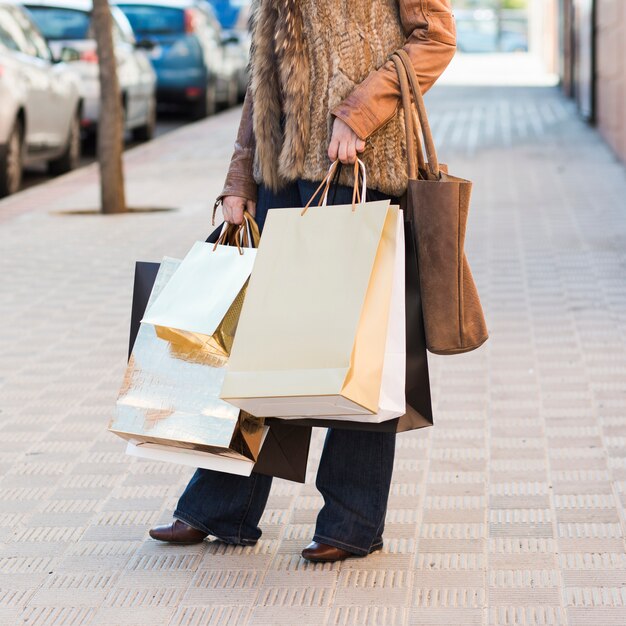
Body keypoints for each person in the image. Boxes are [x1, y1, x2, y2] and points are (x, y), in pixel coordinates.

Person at [149, 0, 456, 563]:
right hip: (281, 174)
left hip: (361, 165)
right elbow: (262, 77)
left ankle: (352, 520)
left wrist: (358, 113)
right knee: (261, 350)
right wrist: (241, 175)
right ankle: (223, 506)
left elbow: (435, 40)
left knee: (358, 352)